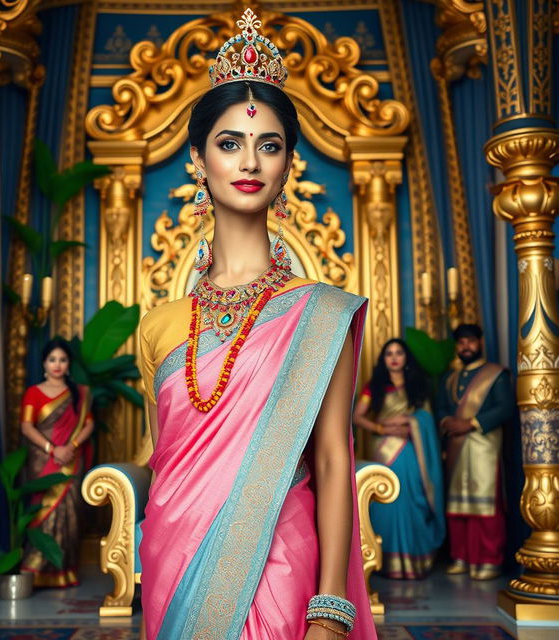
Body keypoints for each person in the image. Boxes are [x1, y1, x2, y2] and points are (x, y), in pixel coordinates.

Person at [137, 9, 375, 640]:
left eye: (269, 145)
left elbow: (330, 461)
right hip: (171, 558)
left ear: (288, 164)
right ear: (197, 159)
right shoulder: (159, 327)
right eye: (230, 143)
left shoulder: (320, 313)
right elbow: (164, 463)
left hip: (283, 562)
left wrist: (329, 610)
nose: (250, 161)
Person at [353, 339, 445, 579]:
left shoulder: (417, 386)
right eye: (389, 354)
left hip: (411, 450)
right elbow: (357, 417)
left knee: (410, 498)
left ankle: (413, 561)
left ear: (406, 358)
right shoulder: (375, 386)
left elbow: (425, 418)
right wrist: (382, 429)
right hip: (385, 450)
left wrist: (410, 423)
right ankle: (385, 562)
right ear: (383, 359)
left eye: (399, 353)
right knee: (387, 502)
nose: (394, 358)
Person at [436, 324, 512, 580]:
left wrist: (470, 423)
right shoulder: (450, 378)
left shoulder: (496, 375)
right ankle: (462, 557)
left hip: (484, 447)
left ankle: (488, 559)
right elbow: (441, 408)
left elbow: (505, 408)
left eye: (470, 341)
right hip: (456, 446)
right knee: (457, 505)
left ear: (480, 342)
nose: (465, 346)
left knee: (485, 507)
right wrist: (448, 422)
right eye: (461, 343)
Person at [20, 338, 94, 587]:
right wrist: (53, 449)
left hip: (71, 461)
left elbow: (89, 424)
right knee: (42, 511)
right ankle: (36, 569)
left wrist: (71, 448)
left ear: (68, 363)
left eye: (62, 359)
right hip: (43, 462)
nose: (57, 364)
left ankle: (64, 571)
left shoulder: (78, 393)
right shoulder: (34, 392)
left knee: (69, 514)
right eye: (53, 359)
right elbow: (26, 426)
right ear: (44, 363)